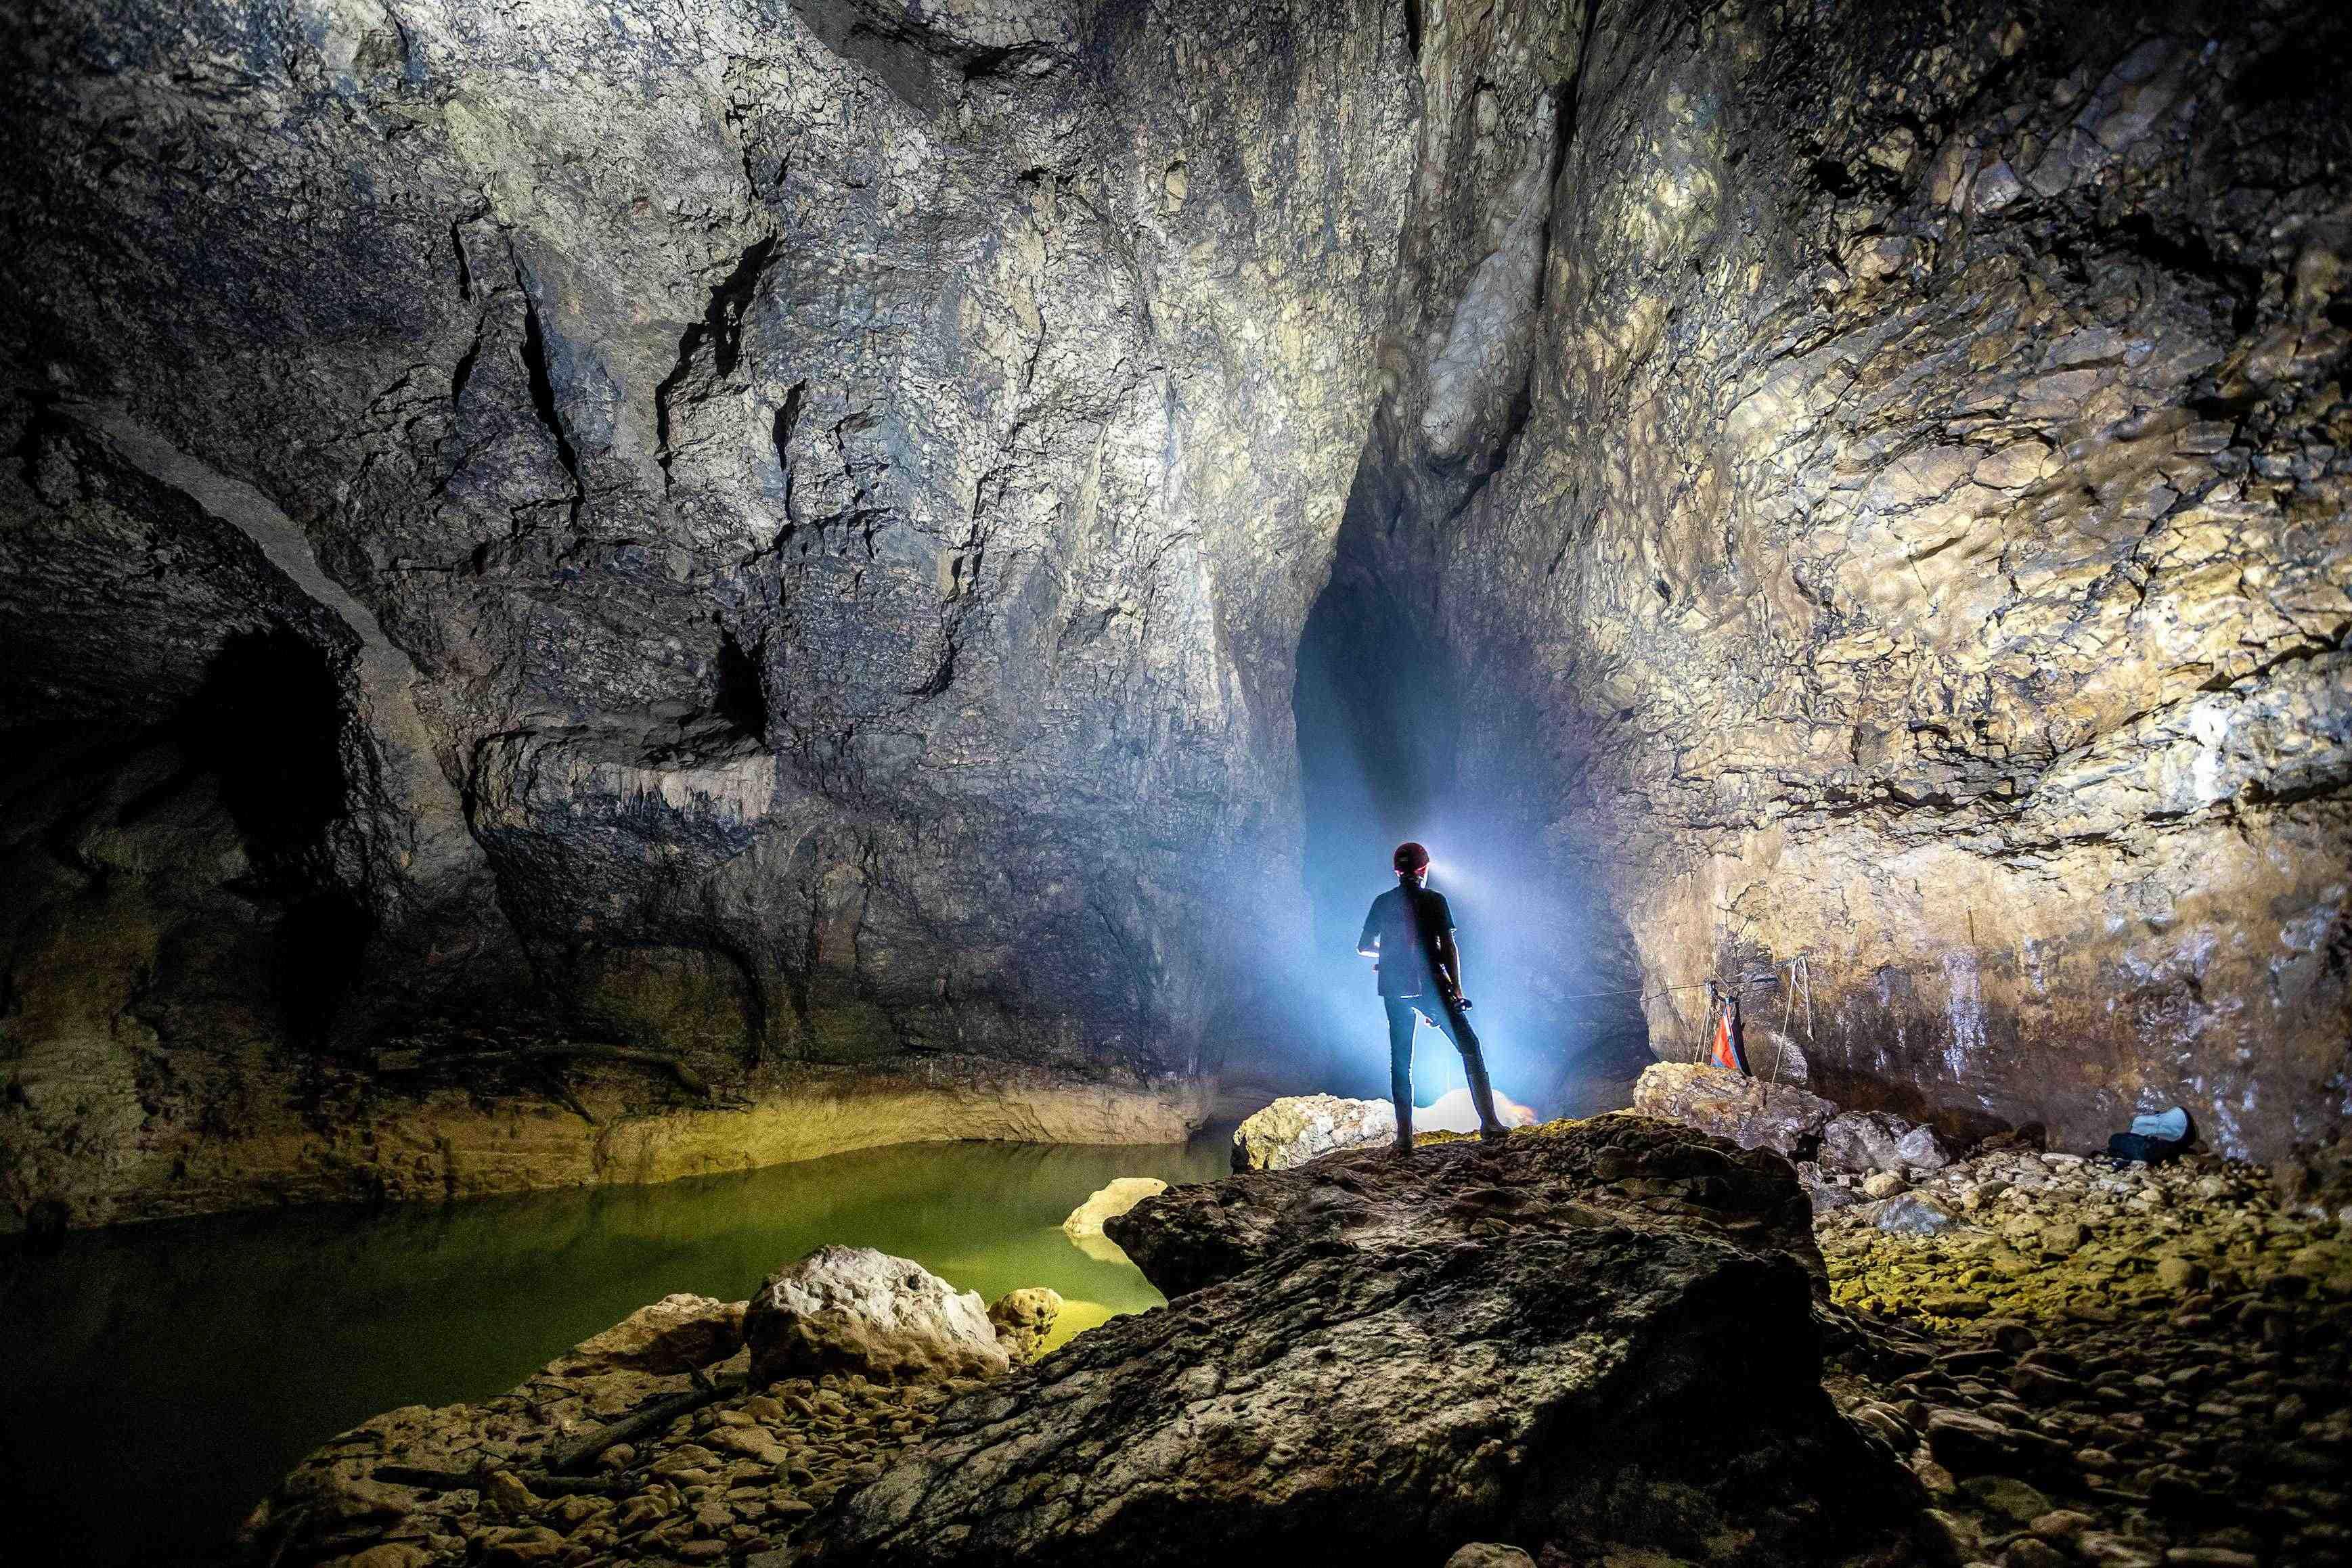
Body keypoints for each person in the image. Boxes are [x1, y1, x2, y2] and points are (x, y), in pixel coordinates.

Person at [1356, 841, 1507, 1153]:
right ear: (1424, 869)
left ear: (1397, 871)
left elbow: (1364, 946)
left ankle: (1404, 1139)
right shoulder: (1435, 900)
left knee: (1401, 1061)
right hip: (1432, 986)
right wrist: (1457, 988)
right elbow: (1448, 946)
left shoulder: (1383, 902)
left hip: (1394, 987)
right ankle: (1490, 1124)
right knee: (1469, 1048)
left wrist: (1391, 956)